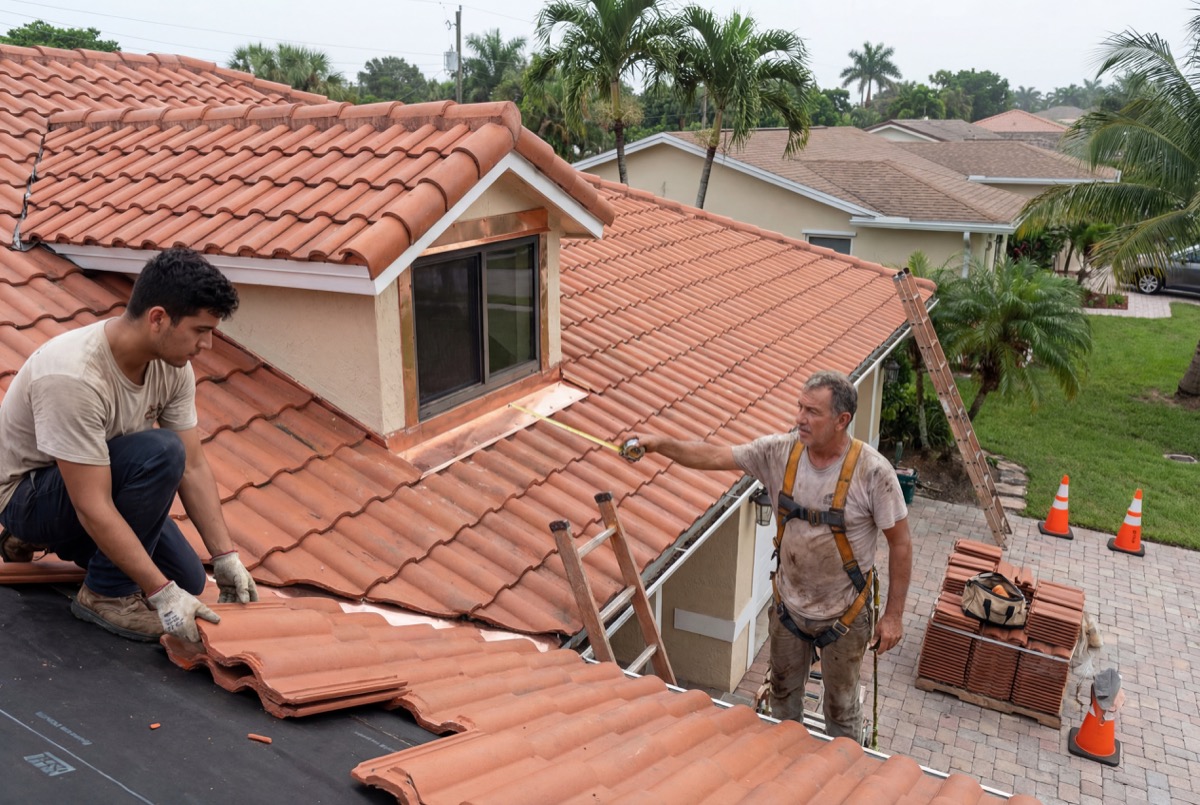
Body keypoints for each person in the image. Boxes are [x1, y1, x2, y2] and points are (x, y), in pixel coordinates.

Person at [0, 247, 257, 643]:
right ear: (158, 318)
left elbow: (193, 466)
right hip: (28, 495)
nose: (206, 344)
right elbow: (92, 504)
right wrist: (159, 593)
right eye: (200, 330)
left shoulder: (174, 369)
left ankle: (52, 542)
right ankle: (103, 595)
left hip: (92, 478)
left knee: (187, 577)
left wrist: (225, 557)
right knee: (161, 451)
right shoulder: (74, 376)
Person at [638, 370, 912, 741]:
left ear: (841, 420)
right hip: (790, 609)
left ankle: (842, 780)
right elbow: (713, 454)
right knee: (782, 701)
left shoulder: (873, 473)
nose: (800, 418)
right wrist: (657, 445)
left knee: (841, 708)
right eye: (800, 407)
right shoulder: (777, 453)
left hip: (844, 614)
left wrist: (893, 616)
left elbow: (901, 544)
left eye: (812, 411)